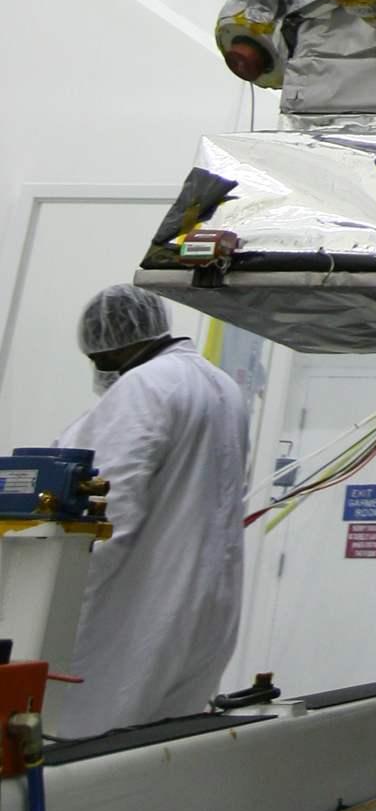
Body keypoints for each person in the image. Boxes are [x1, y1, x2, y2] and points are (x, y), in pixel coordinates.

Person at [53, 286, 249, 739]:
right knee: (162, 746)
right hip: (207, 611)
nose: (99, 370)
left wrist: (60, 606)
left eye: (98, 358)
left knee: (90, 747)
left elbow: (105, 512)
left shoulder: (145, 386)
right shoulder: (222, 386)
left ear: (113, 345)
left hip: (141, 612)